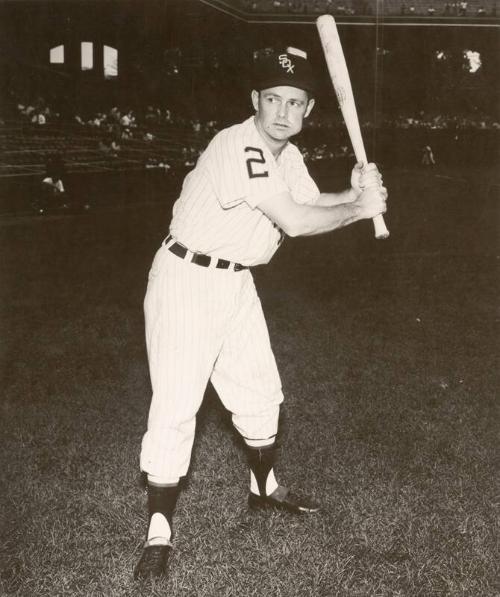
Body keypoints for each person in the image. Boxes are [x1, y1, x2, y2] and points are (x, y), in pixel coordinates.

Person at [134, 47, 387, 580]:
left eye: (294, 102)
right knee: (178, 404)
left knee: (261, 394)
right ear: (255, 101)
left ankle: (264, 490)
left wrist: (358, 191)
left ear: (308, 111)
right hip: (186, 279)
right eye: (272, 98)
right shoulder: (238, 144)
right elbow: (295, 223)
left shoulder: (287, 156)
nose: (281, 111)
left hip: (236, 281)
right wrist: (357, 210)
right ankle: (159, 531)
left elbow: (316, 206)